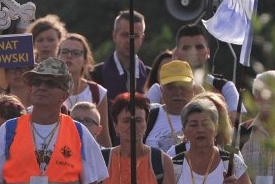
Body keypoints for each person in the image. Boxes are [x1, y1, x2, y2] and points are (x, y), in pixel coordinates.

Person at [146, 24, 240, 121]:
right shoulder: (158, 89)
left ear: (208, 52)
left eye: (199, 47)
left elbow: (235, 124)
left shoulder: (225, 87)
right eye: (186, 48)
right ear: (176, 54)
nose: (193, 52)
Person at [89, 10, 149, 142]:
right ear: (114, 35)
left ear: (142, 38)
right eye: (125, 35)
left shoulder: (151, 76)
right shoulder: (94, 75)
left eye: (135, 36)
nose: (129, 41)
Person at [58, 33, 112, 146]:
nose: (69, 56)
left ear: (85, 60)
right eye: (64, 52)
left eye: (76, 53)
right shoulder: (47, 89)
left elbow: (103, 137)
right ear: (57, 57)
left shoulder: (98, 92)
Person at [145, 60, 197, 156]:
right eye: (170, 87)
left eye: (183, 86)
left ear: (193, 89)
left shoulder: (204, 118)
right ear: (161, 90)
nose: (177, 92)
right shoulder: (148, 116)